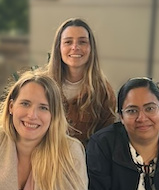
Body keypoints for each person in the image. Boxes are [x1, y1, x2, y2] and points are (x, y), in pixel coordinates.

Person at [47, 18, 116, 146]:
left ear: (91, 48)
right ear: (59, 48)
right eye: (68, 42)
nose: (75, 47)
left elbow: (106, 140)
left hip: (83, 162)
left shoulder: (104, 91)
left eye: (82, 42)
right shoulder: (43, 85)